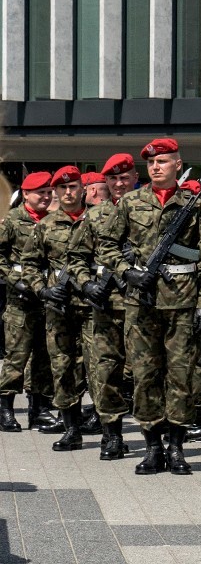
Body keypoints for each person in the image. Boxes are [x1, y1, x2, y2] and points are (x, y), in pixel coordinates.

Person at [98, 139, 201, 476]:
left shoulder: (194, 205)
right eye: (151, 163)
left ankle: (176, 447)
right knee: (146, 376)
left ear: (178, 164)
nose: (156, 167)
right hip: (142, 302)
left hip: (182, 301)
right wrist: (128, 273)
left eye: (163, 161)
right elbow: (106, 245)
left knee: (181, 376)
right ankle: (151, 447)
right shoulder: (131, 202)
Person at [37, 167, 95, 451]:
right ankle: (72, 428)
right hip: (59, 308)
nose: (68, 192)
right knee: (62, 368)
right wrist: (43, 289)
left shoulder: (98, 219)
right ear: (56, 193)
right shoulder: (45, 226)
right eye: (62, 188)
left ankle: (110, 432)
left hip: (94, 305)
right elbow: (30, 264)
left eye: (73, 186)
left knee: (98, 368)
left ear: (82, 188)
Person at [1, 171, 56, 434]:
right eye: (40, 193)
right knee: (16, 356)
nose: (45, 197)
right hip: (21, 299)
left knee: (44, 357)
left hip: (47, 296)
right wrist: (14, 279)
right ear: (25, 194)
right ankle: (6, 409)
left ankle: (40, 410)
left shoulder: (54, 221)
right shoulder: (13, 220)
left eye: (48, 193)